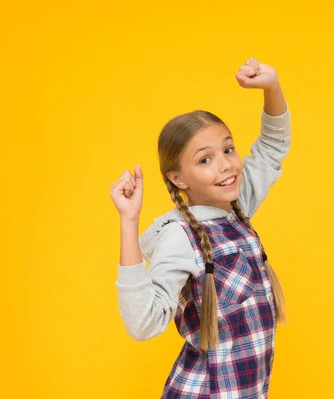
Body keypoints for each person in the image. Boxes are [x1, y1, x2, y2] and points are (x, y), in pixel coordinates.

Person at [110, 57, 291, 398]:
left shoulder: (238, 205)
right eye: (205, 160)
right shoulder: (180, 237)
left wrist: (272, 87)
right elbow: (142, 322)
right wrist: (128, 221)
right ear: (178, 178)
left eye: (228, 148)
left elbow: (272, 147)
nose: (225, 165)